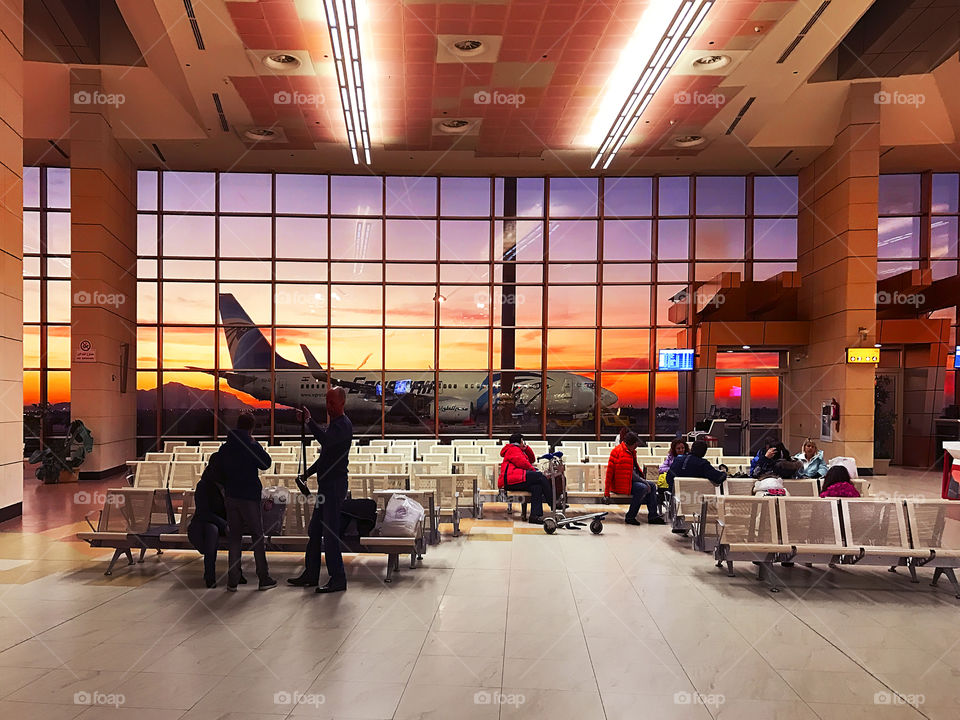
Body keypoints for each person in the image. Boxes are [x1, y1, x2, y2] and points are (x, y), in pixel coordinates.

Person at [289, 386, 353, 593]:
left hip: (334, 487)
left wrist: (309, 422)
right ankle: (311, 574)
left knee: (330, 533)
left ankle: (338, 578)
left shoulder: (343, 426)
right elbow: (326, 457)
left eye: (332, 402)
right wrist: (307, 474)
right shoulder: (334, 425)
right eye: (327, 402)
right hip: (327, 487)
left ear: (342, 403)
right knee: (315, 531)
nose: (328, 406)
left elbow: (326, 442)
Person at [221, 413, 276, 591]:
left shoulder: (226, 446)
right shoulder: (250, 445)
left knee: (234, 538)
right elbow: (266, 463)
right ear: (251, 428)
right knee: (257, 536)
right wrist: (255, 444)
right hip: (249, 496)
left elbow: (221, 467)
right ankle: (263, 577)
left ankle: (233, 580)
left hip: (231, 495)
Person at [187, 453, 245, 588]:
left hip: (224, 523)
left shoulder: (229, 485)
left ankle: (236, 572)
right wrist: (224, 524)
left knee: (234, 530)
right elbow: (204, 513)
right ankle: (210, 576)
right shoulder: (203, 485)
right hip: (203, 523)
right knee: (211, 530)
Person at [605, 431, 665, 525]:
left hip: (629, 482)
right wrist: (606, 492)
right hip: (621, 485)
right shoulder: (618, 452)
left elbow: (633, 473)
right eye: (636, 444)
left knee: (652, 486)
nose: (637, 446)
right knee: (642, 487)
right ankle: (630, 516)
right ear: (633, 443)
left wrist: (645, 482)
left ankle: (653, 516)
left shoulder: (630, 451)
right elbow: (610, 472)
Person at [498, 432, 554, 524]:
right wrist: (534, 471)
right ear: (520, 442)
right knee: (540, 476)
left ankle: (535, 516)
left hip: (516, 479)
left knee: (537, 487)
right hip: (510, 480)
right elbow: (523, 463)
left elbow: (531, 460)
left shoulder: (517, 450)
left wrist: (526, 448)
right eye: (523, 441)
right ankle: (552, 502)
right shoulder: (513, 449)